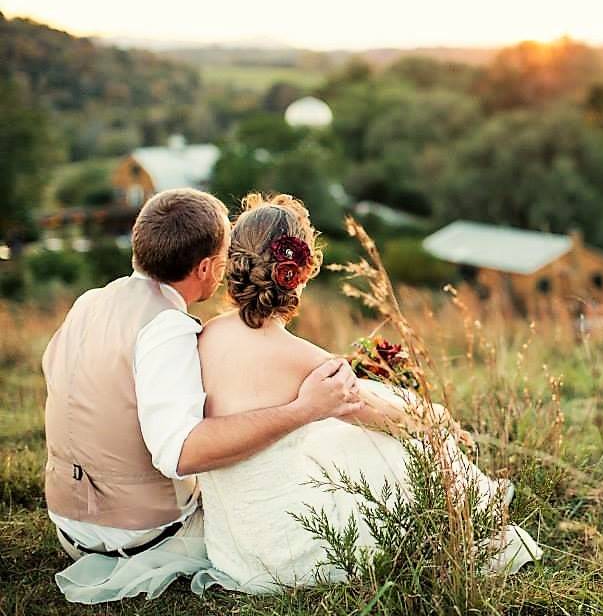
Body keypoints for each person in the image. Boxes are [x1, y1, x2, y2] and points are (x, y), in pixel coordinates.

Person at [194, 193, 542, 592]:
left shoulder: (205, 335)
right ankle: (473, 507)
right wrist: (440, 423)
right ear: (302, 270)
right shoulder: (304, 358)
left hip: (232, 548)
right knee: (400, 436)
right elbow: (394, 423)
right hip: (285, 554)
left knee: (344, 429)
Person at [42, 188, 364, 604]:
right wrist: (302, 410)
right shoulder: (166, 328)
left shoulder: (90, 301)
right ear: (208, 266)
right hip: (133, 531)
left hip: (68, 520)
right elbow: (181, 454)